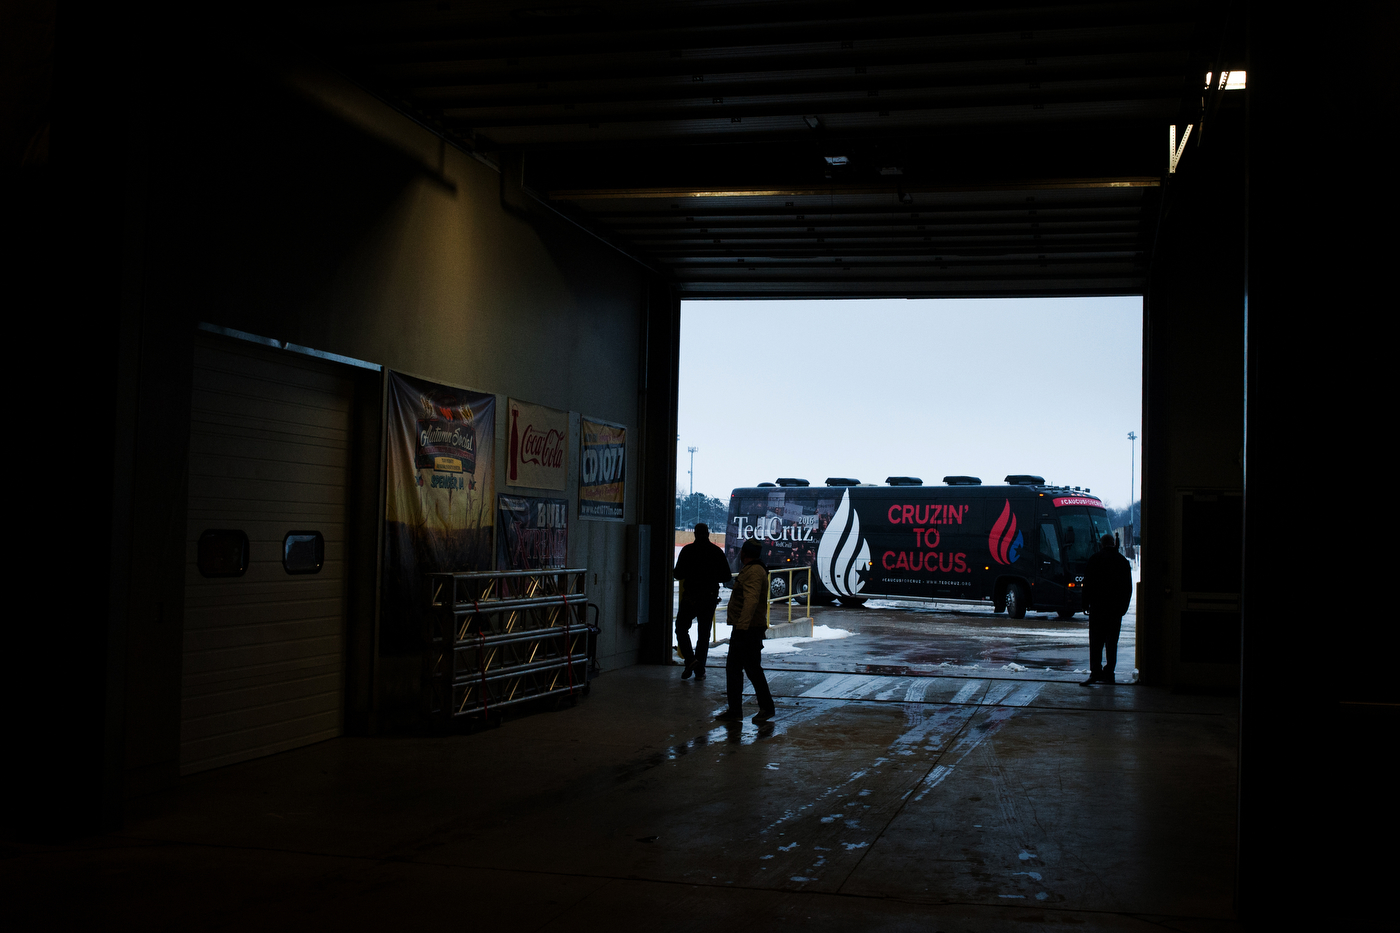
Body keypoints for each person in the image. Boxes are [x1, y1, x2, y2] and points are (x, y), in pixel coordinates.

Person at [718, 539, 776, 723]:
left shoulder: (753, 572)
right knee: (746, 669)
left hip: (747, 629)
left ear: (744, 553)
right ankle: (743, 709)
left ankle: (761, 708)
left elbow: (750, 601)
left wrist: (742, 627)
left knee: (744, 669)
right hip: (748, 628)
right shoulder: (755, 570)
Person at [672, 523, 733, 680]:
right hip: (709, 598)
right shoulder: (716, 552)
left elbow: (678, 574)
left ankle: (691, 661)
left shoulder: (687, 551)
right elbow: (726, 576)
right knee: (704, 635)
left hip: (690, 597)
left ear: (695, 534)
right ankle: (699, 669)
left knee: (681, 628)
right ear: (708, 534)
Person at [1081, 533, 1134, 686]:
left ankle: (1095, 672)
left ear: (1101, 544)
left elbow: (1087, 584)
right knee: (1112, 643)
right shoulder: (1122, 561)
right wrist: (1123, 607)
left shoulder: (1095, 559)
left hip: (1098, 608)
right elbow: (1127, 588)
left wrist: (1085, 604)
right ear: (1113, 543)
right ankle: (1109, 672)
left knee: (1096, 642)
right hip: (1115, 610)